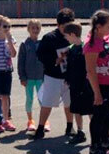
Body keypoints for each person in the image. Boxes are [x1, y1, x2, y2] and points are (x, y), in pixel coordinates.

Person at [84, 9, 109, 154]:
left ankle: (105, 140)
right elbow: (91, 70)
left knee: (108, 114)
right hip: (101, 86)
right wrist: (97, 93)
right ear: (98, 27)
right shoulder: (92, 45)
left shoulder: (106, 38)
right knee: (98, 117)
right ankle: (95, 147)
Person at [33, 8, 76, 140]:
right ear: (58, 25)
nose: (67, 29)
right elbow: (40, 55)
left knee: (69, 103)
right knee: (47, 102)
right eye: (64, 27)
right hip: (53, 76)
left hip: (68, 77)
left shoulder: (73, 36)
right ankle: (40, 128)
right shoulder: (49, 38)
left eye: (69, 26)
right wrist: (53, 60)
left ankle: (70, 126)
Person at [62, 22, 92, 144]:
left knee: (90, 109)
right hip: (74, 84)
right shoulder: (70, 49)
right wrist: (67, 79)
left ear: (73, 34)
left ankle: (96, 131)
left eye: (67, 36)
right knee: (76, 109)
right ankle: (80, 131)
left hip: (86, 84)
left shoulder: (86, 48)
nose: (66, 39)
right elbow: (69, 66)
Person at [18, 19, 45, 132]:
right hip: (28, 78)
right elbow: (20, 62)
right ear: (28, 29)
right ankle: (30, 120)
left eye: (37, 28)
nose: (35, 30)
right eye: (33, 28)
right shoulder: (24, 45)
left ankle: (44, 121)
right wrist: (22, 77)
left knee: (42, 100)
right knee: (29, 99)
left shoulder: (42, 43)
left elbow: (46, 61)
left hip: (40, 78)